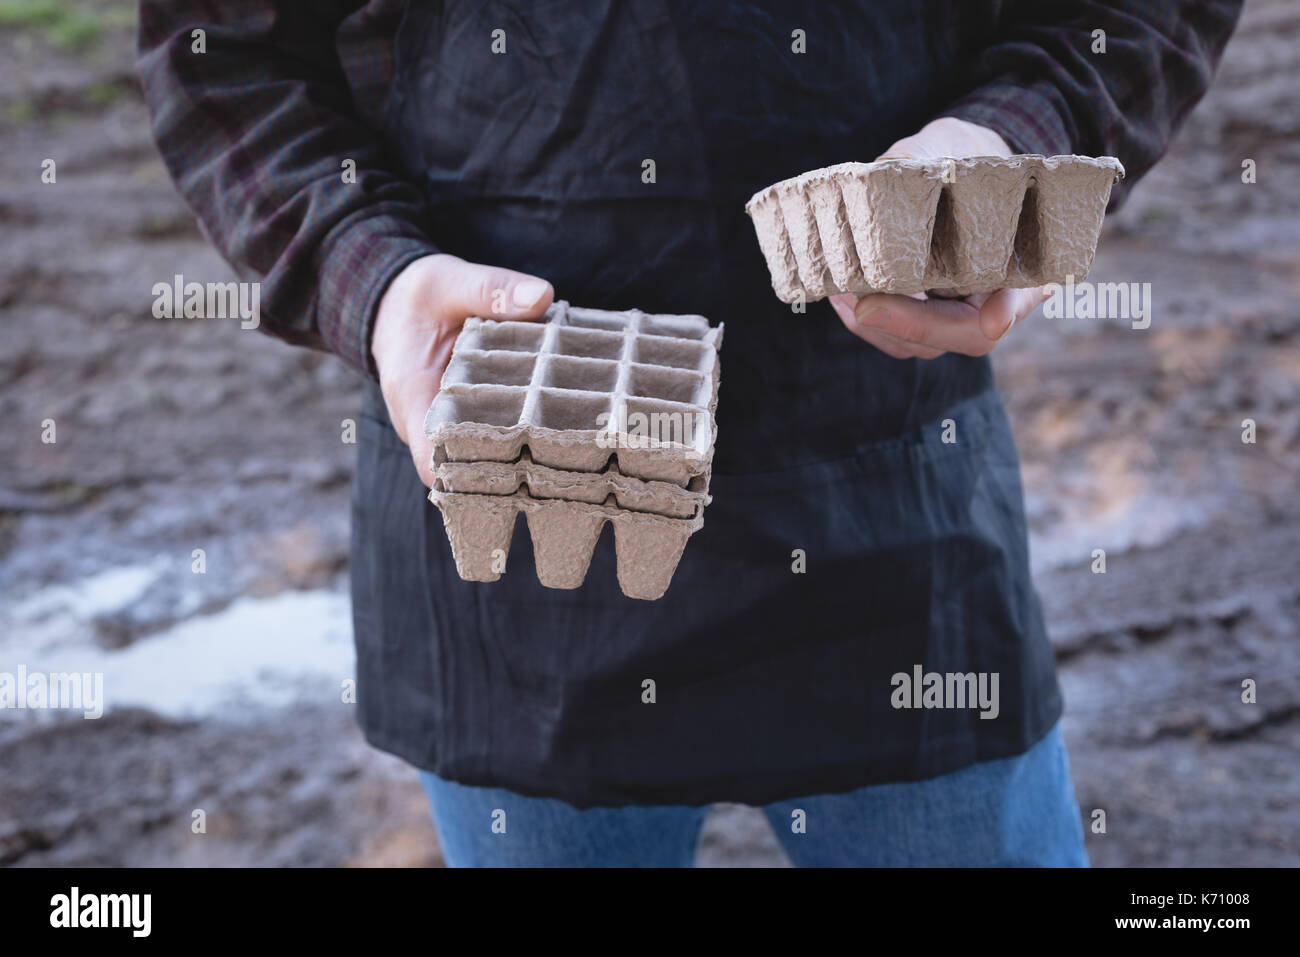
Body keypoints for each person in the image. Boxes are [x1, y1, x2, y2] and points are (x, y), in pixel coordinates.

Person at [137, 1, 1242, 866]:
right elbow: (221, 47)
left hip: (892, 510)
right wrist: (372, 280)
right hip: (516, 506)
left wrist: (1009, 141)